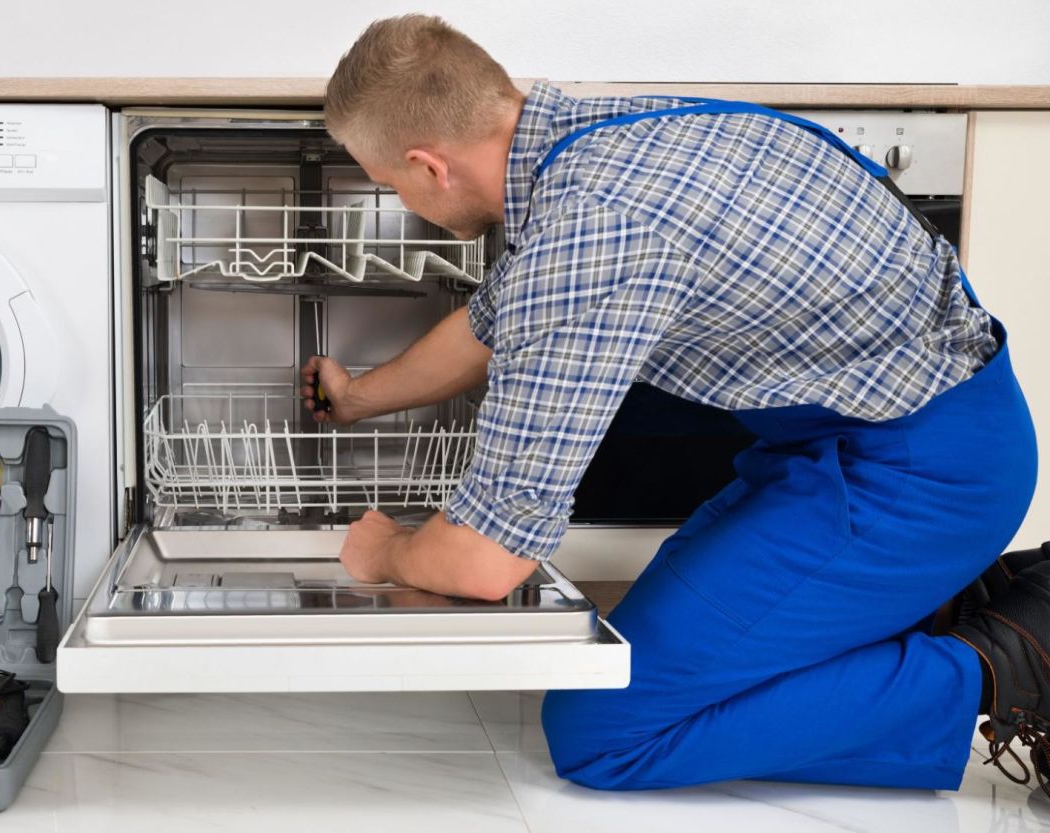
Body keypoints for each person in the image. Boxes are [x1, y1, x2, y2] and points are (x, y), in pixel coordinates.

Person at [303, 14, 1044, 792]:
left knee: (606, 733)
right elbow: (491, 323)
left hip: (920, 479)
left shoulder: (590, 234)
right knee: (676, 668)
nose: (402, 198)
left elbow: (487, 563)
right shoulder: (593, 137)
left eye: (389, 183)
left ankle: (1009, 661)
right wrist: (357, 399)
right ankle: (955, 600)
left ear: (427, 167)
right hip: (856, 446)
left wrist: (382, 551)